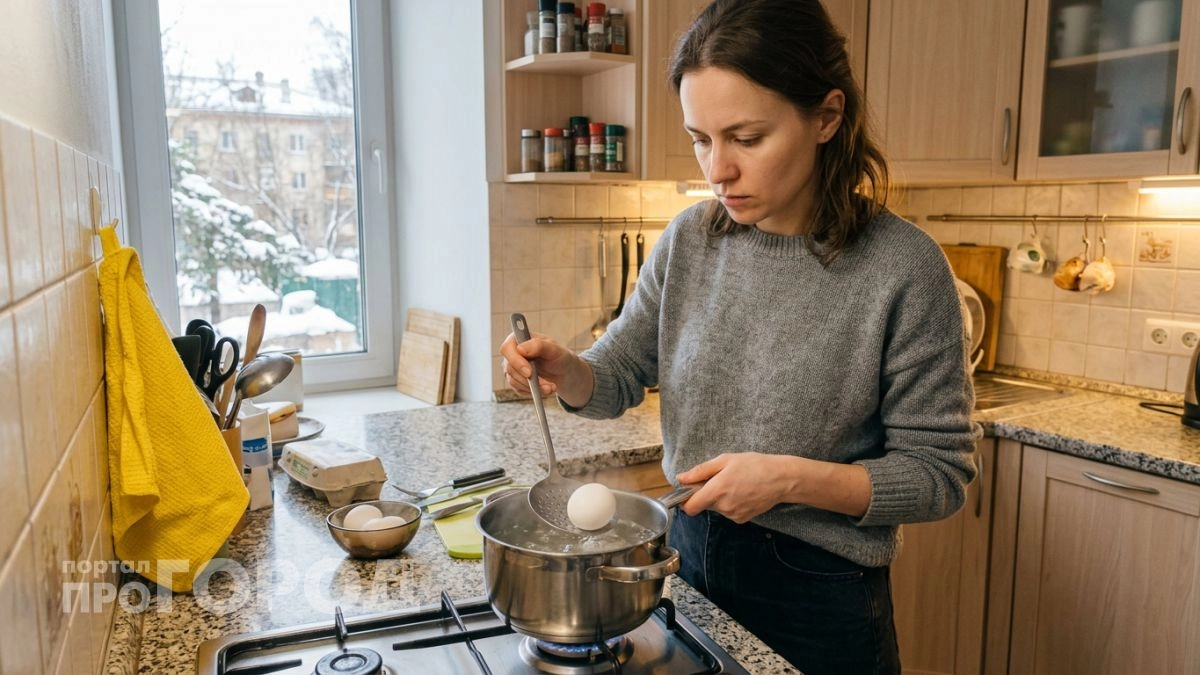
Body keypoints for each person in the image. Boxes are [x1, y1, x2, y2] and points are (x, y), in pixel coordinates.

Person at [499, 1, 979, 673]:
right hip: (687, 566)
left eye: (746, 138)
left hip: (822, 600)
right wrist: (566, 369)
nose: (715, 169)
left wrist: (788, 479)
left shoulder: (903, 267)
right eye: (701, 138)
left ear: (827, 117)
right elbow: (618, 373)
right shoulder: (690, 241)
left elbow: (940, 475)